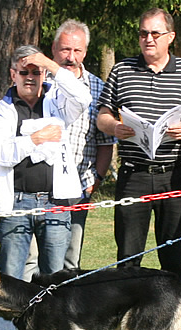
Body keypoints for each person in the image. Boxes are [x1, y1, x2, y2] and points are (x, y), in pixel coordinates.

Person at [0, 44, 91, 330]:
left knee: (54, 274)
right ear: (13, 74)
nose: (30, 77)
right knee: (8, 274)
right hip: (16, 200)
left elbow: (84, 97)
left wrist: (50, 64)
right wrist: (34, 139)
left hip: (54, 200)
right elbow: (0, 153)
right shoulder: (2, 109)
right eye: (24, 71)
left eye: (35, 71)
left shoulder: (57, 101)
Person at [96, 8, 181, 279]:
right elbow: (102, 116)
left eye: (155, 33)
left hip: (173, 174)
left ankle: (171, 316)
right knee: (128, 255)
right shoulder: (122, 70)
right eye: (143, 33)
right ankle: (127, 316)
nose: (148, 39)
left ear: (170, 36)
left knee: (172, 252)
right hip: (133, 173)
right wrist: (115, 127)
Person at [24, 19, 116, 280]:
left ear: (85, 52)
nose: (70, 57)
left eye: (77, 51)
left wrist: (95, 180)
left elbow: (105, 142)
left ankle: (62, 317)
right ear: (53, 49)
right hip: (35, 184)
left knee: (68, 259)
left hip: (77, 186)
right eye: (65, 49)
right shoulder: (37, 81)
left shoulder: (98, 88)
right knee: (30, 259)